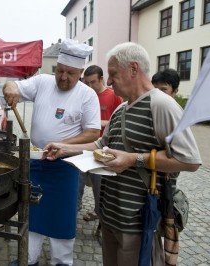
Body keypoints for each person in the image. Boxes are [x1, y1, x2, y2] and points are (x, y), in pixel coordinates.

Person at [43, 42, 202, 266]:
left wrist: (133, 159)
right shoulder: (121, 109)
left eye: (113, 74)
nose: (108, 81)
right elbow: (101, 144)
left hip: (137, 225)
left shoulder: (161, 105)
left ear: (134, 69)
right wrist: (65, 148)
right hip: (110, 219)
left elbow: (189, 160)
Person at [5, 39, 101, 266]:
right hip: (36, 164)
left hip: (66, 168)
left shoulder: (87, 95)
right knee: (32, 215)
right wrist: (9, 86)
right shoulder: (42, 82)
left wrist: (63, 145)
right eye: (60, 71)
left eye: (70, 73)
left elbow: (93, 132)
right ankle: (27, 259)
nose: (63, 77)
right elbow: (14, 86)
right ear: (55, 68)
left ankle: (61, 262)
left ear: (80, 72)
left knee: (62, 218)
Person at [79, 65, 123, 237]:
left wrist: (101, 124)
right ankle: (74, 210)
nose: (90, 86)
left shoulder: (113, 97)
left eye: (93, 82)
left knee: (100, 188)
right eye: (87, 82)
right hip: (83, 149)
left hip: (103, 150)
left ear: (102, 79)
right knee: (78, 185)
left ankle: (101, 218)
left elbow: (119, 121)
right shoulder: (84, 95)